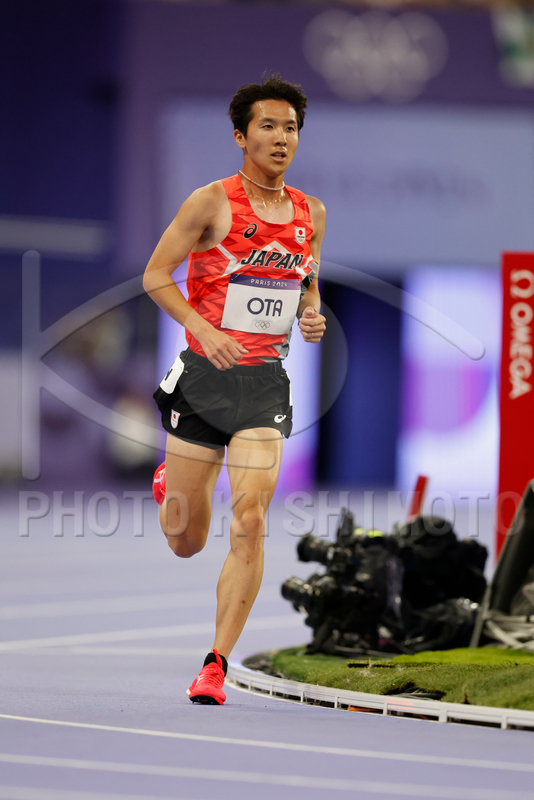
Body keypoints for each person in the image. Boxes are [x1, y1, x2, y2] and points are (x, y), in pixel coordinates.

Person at [143, 74, 326, 705]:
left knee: (249, 519)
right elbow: (155, 275)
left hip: (264, 386)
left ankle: (215, 664)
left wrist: (311, 315)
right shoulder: (210, 202)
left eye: (290, 128)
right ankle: (170, 486)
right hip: (202, 380)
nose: (281, 138)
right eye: (268, 126)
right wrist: (201, 327)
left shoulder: (310, 214)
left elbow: (307, 285)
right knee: (185, 540)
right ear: (241, 136)